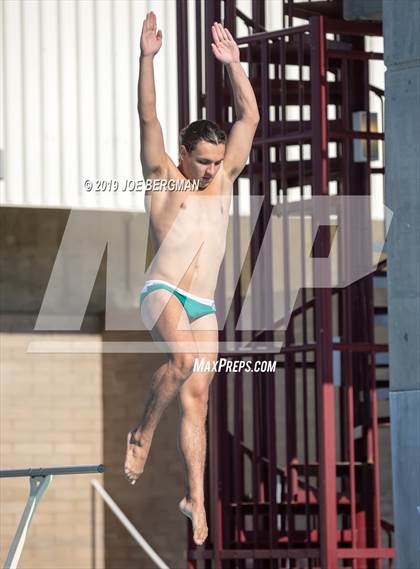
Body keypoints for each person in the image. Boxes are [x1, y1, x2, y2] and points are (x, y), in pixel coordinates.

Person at [124, 11, 259, 546]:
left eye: (215, 162)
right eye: (202, 161)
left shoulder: (224, 176)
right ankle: (141, 433)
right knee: (180, 363)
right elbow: (148, 117)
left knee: (198, 398)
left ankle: (195, 498)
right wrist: (147, 59)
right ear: (184, 155)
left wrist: (234, 66)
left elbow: (248, 118)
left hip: (203, 301)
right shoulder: (164, 176)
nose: (209, 170)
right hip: (162, 291)